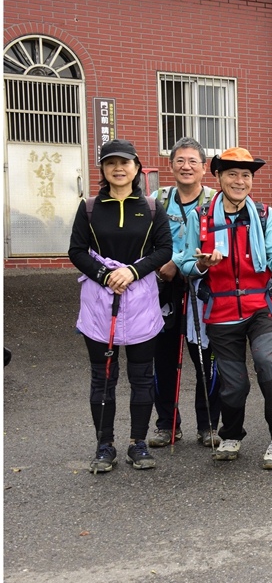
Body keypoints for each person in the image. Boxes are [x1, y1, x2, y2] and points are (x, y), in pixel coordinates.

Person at [180, 148, 272, 469]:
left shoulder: (264, 215)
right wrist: (201, 265)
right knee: (233, 383)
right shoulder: (201, 217)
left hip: (258, 306)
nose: (239, 181)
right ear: (218, 177)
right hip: (220, 312)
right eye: (232, 174)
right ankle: (232, 433)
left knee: (268, 366)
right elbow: (183, 259)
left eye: (246, 175)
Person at [69, 139, 172, 472]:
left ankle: (138, 443)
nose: (118, 168)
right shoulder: (89, 208)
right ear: (102, 169)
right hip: (100, 302)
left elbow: (164, 249)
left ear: (137, 168)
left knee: (142, 377)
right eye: (110, 163)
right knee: (103, 378)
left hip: (141, 299)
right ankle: (104, 445)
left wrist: (132, 271)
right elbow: (77, 250)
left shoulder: (153, 208)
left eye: (125, 162)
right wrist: (104, 274)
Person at [149, 136, 220, 449]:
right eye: (180, 160)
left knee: (205, 356)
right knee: (161, 358)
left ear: (204, 168)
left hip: (202, 287)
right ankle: (167, 425)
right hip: (161, 288)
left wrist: (177, 262)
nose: (186, 166)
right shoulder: (157, 200)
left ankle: (208, 426)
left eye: (193, 161)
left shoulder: (216, 201)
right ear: (170, 165)